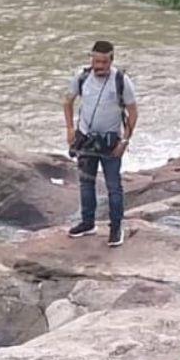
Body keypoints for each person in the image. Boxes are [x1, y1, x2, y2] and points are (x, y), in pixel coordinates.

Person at [64, 39, 139, 247]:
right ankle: (88, 223)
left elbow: (133, 112)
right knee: (86, 183)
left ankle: (116, 229)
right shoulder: (82, 77)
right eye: (96, 62)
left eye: (104, 63)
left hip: (111, 142)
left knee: (113, 187)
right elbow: (67, 101)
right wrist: (70, 129)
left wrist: (124, 141)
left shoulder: (121, 81)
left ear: (111, 61)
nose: (99, 67)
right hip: (86, 139)